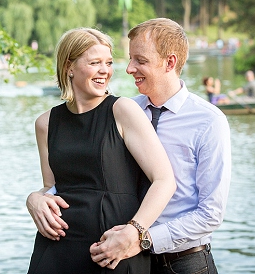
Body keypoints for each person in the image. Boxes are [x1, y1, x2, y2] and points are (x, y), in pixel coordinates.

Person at [27, 18, 231, 274]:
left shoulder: (209, 121)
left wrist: (141, 237)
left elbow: (210, 213)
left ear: (169, 63)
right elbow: (73, 179)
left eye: (140, 60)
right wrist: (35, 198)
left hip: (182, 261)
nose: (128, 68)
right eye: (129, 59)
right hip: (119, 254)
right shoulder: (120, 109)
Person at [26, 27, 175, 273]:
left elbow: (164, 180)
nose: (105, 70)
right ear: (68, 67)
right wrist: (34, 199)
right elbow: (51, 187)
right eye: (95, 62)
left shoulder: (123, 110)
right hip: (57, 250)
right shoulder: (46, 123)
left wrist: (134, 231)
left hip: (112, 249)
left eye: (108, 62)